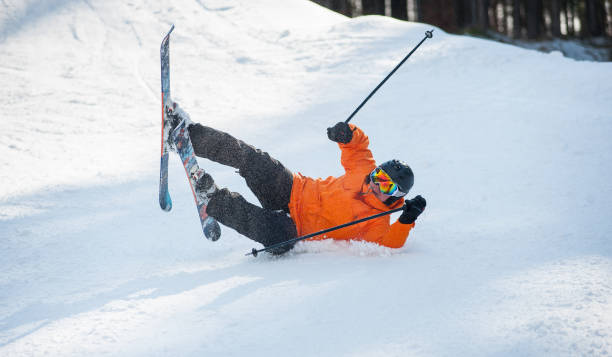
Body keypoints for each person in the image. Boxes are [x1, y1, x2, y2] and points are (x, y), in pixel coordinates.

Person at [167, 102, 426, 254]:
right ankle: (190, 135)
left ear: (396, 196)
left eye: (387, 186)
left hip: (297, 228)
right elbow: (358, 145)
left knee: (278, 239)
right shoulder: (362, 171)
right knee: (255, 159)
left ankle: (213, 199)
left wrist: (407, 218)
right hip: (294, 190)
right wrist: (347, 133)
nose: (376, 185)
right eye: (379, 176)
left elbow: (391, 243)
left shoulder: (376, 223)